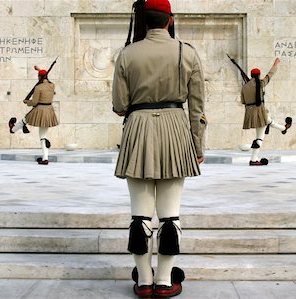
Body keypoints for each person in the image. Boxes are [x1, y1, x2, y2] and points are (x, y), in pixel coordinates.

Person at [112, 0, 206, 297]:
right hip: (176, 131)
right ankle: (164, 281)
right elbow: (197, 108)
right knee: (170, 215)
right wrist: (197, 145)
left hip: (138, 130)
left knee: (139, 216)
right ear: (170, 20)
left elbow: (119, 106)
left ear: (144, 21)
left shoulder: (127, 54)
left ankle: (143, 280)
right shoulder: (187, 52)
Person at [241, 58, 292, 166]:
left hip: (249, 113)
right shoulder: (261, 83)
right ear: (259, 75)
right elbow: (270, 75)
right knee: (260, 136)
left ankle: (283, 128)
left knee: (268, 122)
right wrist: (275, 64)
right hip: (260, 113)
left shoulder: (244, 87)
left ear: (250, 75)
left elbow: (243, 101)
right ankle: (253, 160)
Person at [8, 67, 59, 165]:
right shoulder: (52, 85)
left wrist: (27, 102)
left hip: (39, 109)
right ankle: (45, 158)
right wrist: (39, 69)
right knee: (43, 136)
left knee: (25, 119)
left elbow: (35, 102)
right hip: (49, 110)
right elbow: (45, 77)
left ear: (39, 76)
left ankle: (13, 129)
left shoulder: (38, 87)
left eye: (38, 76)